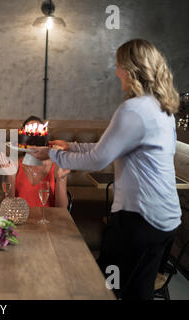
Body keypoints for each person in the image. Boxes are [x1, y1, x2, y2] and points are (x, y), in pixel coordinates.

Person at [32, 39, 181, 300]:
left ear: (131, 69)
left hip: (140, 218)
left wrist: (53, 154)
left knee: (101, 287)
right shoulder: (161, 107)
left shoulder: (133, 110)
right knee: (138, 292)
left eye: (118, 66)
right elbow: (110, 147)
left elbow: (98, 160)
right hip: (165, 220)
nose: (116, 72)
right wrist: (70, 146)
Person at [0, 116, 69, 208]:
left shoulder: (57, 166)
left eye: (37, 129)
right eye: (30, 129)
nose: (33, 136)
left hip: (49, 219)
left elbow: (62, 208)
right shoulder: (14, 165)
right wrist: (10, 176)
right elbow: (7, 207)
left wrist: (61, 179)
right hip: (21, 219)